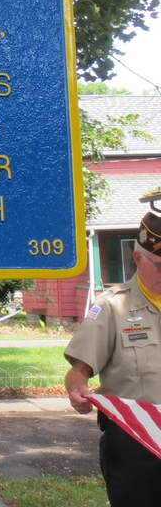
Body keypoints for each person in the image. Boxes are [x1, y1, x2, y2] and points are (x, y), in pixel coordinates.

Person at [65, 210, 161, 506]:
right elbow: (80, 369)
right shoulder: (111, 307)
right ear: (137, 259)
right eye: (160, 265)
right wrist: (75, 389)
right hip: (136, 444)